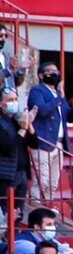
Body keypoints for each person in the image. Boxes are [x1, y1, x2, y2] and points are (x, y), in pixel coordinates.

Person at [28, 63, 73, 209]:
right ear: (41, 75)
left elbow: (69, 117)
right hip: (43, 140)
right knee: (41, 179)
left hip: (58, 143)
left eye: (55, 71)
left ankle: (46, 208)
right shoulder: (37, 90)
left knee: (53, 183)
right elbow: (41, 110)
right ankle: (35, 207)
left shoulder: (59, 95)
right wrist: (59, 97)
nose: (54, 74)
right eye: (49, 71)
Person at [0, 88, 36, 216]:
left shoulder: (16, 120)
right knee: (5, 212)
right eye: (10, 100)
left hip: (22, 173)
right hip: (5, 176)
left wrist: (29, 124)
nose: (14, 103)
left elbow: (34, 143)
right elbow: (8, 147)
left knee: (18, 213)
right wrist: (22, 129)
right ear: (1, 103)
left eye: (16, 99)